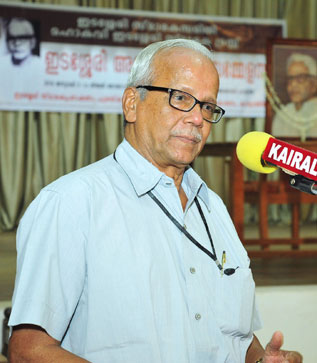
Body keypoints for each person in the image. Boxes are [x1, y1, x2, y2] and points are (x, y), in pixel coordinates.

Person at [8, 39, 302, 362]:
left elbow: (234, 336)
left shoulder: (213, 208)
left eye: (207, 107)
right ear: (131, 103)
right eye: (181, 98)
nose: (197, 119)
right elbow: (28, 352)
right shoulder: (70, 203)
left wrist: (261, 360)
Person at [272, 52, 317, 138]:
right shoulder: (283, 114)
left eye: (300, 78)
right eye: (290, 79)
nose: (293, 85)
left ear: (314, 83)